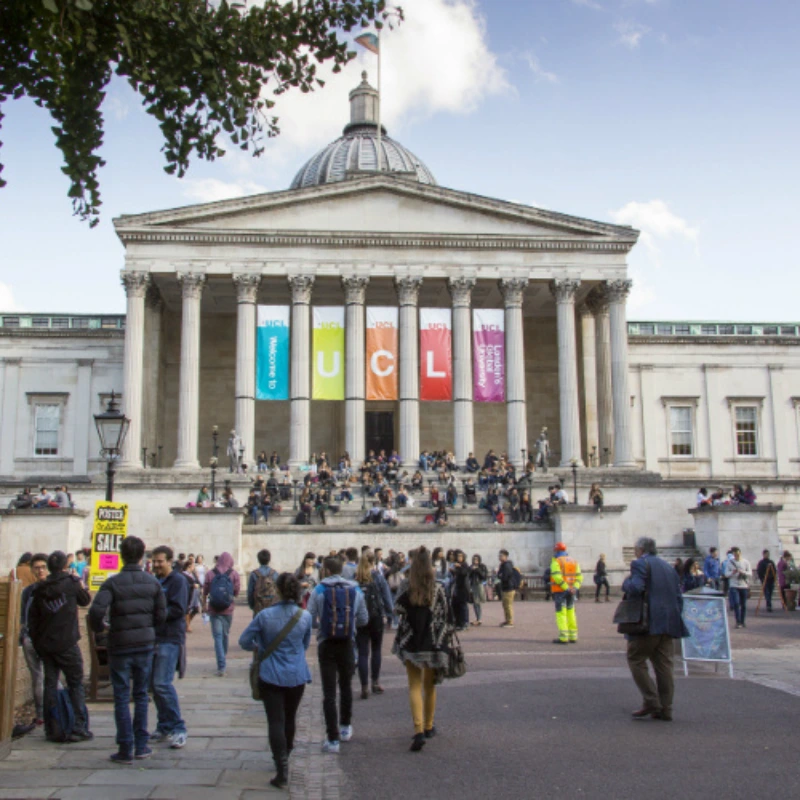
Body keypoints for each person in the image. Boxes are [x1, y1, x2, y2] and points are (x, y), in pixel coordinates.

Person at [89, 536, 166, 763]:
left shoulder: (112, 583)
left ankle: (125, 747)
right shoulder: (152, 583)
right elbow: (162, 615)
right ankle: (141, 746)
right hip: (144, 644)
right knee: (141, 695)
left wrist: (101, 630)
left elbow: (96, 611)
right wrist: (151, 630)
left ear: (121, 555)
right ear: (143, 556)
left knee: (121, 696)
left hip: (120, 644)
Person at [239, 572, 312, 789]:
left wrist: (260, 647)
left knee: (275, 721)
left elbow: (244, 641)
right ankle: (286, 755)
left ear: (277, 590)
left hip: (270, 673)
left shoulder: (264, 616)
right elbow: (305, 644)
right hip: (296, 674)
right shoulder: (305, 616)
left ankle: (281, 767)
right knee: (290, 718)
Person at [28, 550, 93, 743]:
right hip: (67, 642)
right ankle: (78, 726)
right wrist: (77, 581)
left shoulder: (40, 589)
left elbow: (33, 619)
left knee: (50, 684)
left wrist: (38, 643)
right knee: (75, 684)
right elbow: (85, 600)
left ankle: (52, 726)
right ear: (66, 566)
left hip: (47, 644)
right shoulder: (71, 584)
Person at [623, 537, 689, 722]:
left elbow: (636, 587)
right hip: (668, 622)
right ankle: (666, 708)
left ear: (641, 549)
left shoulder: (639, 564)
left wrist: (625, 584)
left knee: (635, 658)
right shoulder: (668, 567)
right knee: (664, 665)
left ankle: (652, 700)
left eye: (636, 548)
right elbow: (678, 597)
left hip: (648, 622)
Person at [306, 556, 367, 754]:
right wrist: (349, 626)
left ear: (325, 569)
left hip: (326, 643)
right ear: (341, 570)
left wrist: (325, 623)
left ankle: (332, 739)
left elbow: (310, 616)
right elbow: (363, 618)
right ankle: (345, 727)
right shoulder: (355, 589)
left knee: (329, 692)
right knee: (346, 686)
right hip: (348, 642)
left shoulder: (319, 589)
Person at [392, 546, 450, 752]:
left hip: (412, 641)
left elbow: (397, 608)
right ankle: (428, 726)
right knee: (430, 685)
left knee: (414, 686)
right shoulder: (439, 587)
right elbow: (446, 615)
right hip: (433, 641)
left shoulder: (407, 586)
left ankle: (417, 730)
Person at [149, 545, 189, 749]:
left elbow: (178, 609)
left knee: (162, 684)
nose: (156, 564)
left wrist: (155, 613)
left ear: (170, 561)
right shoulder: (154, 580)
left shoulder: (178, 581)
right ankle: (164, 724)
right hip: (154, 637)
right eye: (154, 561)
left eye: (160, 561)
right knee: (154, 686)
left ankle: (178, 727)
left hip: (170, 637)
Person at [355, 550, 393, 699]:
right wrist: (390, 612)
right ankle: (375, 682)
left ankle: (364, 686)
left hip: (360, 618)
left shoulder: (356, 578)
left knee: (363, 652)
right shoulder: (378, 576)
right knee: (376, 649)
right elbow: (386, 595)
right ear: (373, 562)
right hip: (376, 616)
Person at [19, 553, 49, 726]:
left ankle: (45, 713)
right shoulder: (28, 592)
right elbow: (23, 617)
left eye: (43, 567)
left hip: (45, 639)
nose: (40, 571)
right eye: (37, 568)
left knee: (46, 677)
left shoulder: (33, 591)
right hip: (32, 639)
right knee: (40, 677)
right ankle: (42, 714)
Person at [203, 551, 241, 676]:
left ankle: (221, 666)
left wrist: (204, 605)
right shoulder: (234, 573)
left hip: (214, 609)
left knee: (217, 637)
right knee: (225, 635)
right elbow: (236, 592)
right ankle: (222, 659)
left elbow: (205, 591)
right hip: (228, 609)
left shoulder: (210, 573)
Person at [550, 542, 583, 644]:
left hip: (560, 591)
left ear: (556, 550)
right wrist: (574, 588)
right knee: (571, 612)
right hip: (572, 591)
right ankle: (573, 635)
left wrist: (566, 588)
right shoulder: (574, 561)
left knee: (561, 613)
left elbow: (557, 577)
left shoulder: (556, 562)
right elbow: (579, 577)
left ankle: (563, 636)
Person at [724, 546, 752, 628]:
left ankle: (742, 621)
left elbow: (750, 573)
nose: (737, 556)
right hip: (734, 585)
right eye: (735, 554)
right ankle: (738, 621)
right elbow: (726, 574)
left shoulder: (746, 562)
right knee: (736, 603)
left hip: (743, 585)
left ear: (740, 553)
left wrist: (743, 572)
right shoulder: (730, 562)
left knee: (743, 604)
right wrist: (732, 573)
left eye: (738, 554)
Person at [248, 549, 280, 616]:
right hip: (272, 606)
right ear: (269, 559)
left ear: (258, 560)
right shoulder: (274, 574)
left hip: (258, 606)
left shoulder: (254, 574)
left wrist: (252, 606)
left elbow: (250, 592)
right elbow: (278, 591)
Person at [449, 550, 471, 631]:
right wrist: (452, 571)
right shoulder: (456, 565)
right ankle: (458, 622)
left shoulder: (464, 565)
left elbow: (464, 573)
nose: (459, 558)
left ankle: (465, 622)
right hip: (456, 588)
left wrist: (459, 567)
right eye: (458, 556)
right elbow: (456, 575)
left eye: (461, 556)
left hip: (463, 588)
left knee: (463, 606)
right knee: (456, 606)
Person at [497, 549, 518, 628]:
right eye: (499, 556)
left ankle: (510, 621)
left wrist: (500, 575)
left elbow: (505, 576)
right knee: (505, 605)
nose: (499, 557)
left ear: (506, 556)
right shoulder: (502, 565)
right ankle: (507, 620)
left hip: (509, 587)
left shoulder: (507, 565)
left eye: (501, 555)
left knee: (508, 605)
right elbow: (500, 574)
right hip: (505, 587)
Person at [468, 554, 488, 626]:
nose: (475, 561)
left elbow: (484, 576)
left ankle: (479, 619)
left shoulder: (482, 566)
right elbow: (468, 575)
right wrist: (471, 570)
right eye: (474, 559)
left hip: (479, 584)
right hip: (473, 585)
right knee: (475, 602)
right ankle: (478, 618)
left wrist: (477, 569)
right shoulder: (470, 567)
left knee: (478, 602)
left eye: (476, 559)